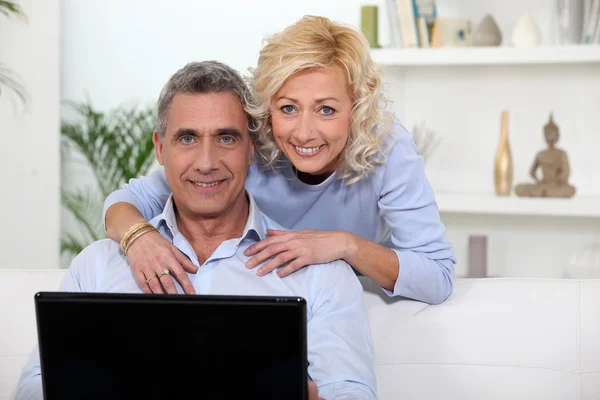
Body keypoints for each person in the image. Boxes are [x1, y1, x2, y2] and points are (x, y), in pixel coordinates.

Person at [17, 61, 376, 400]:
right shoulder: (98, 266)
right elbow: (35, 387)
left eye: (226, 138)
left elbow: (350, 391)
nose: (206, 163)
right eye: (187, 138)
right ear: (160, 148)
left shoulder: (320, 276)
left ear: (251, 149)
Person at [103, 15, 456, 304]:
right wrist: (139, 237)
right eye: (288, 108)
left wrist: (344, 245)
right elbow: (125, 203)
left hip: (337, 299)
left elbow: (436, 276)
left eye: (326, 109)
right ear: (268, 106)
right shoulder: (247, 142)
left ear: (357, 108)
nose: (304, 133)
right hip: (258, 294)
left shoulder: (387, 147)